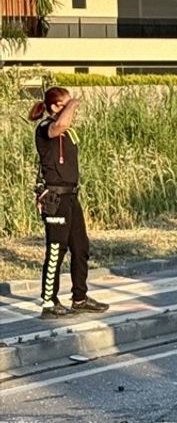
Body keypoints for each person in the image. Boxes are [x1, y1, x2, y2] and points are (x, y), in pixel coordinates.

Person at [29, 88, 109, 319]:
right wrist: (73, 103)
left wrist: (70, 105)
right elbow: (59, 127)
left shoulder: (67, 133)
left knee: (80, 247)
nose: (71, 109)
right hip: (55, 198)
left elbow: (65, 128)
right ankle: (49, 301)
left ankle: (79, 297)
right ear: (55, 107)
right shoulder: (45, 128)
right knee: (56, 249)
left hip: (71, 196)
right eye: (64, 105)